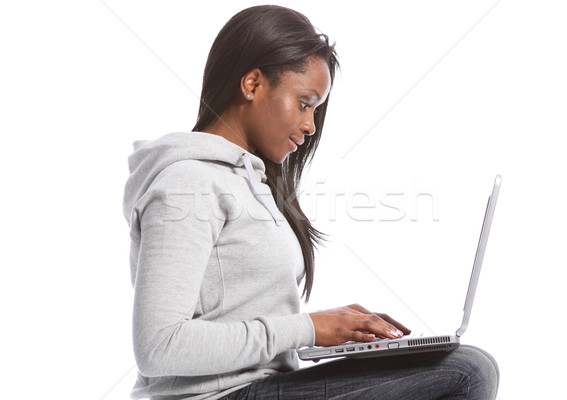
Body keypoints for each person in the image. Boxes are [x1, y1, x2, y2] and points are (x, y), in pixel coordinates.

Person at [122, 5, 499, 400]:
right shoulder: (187, 182)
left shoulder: (256, 183)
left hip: (267, 385)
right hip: (219, 395)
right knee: (468, 372)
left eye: (316, 109)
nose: (311, 125)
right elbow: (158, 347)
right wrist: (309, 328)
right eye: (305, 103)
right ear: (252, 84)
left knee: (466, 364)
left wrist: (339, 336)